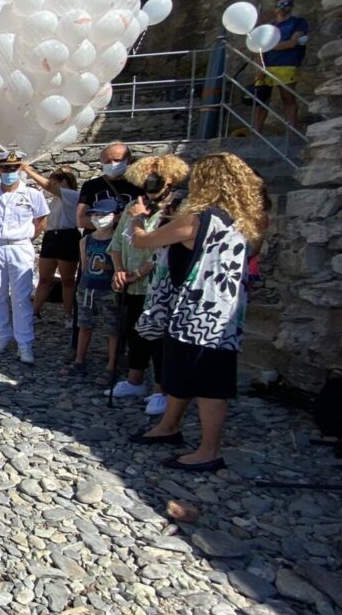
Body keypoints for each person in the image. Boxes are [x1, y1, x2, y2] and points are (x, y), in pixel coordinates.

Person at [125, 152, 267, 472]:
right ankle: (169, 426)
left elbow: (143, 241)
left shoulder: (200, 218)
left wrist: (136, 217)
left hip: (197, 313)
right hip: (226, 314)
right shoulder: (245, 222)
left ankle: (208, 450)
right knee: (185, 375)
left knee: (209, 384)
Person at [109, 155, 190, 415]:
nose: (150, 181)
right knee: (135, 332)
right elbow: (118, 243)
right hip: (132, 284)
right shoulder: (135, 206)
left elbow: (165, 246)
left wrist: (139, 272)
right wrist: (120, 270)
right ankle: (134, 379)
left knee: (159, 338)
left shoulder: (178, 208)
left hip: (159, 284)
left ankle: (160, 389)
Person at [0, 151, 49, 364]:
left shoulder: (33, 194)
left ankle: (24, 343)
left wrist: (25, 238)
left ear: (20, 169)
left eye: (14, 168)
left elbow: (41, 221)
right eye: (5, 168)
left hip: (20, 247)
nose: (9, 172)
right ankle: (3, 335)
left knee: (21, 297)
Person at [22, 164, 80, 327]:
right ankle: (35, 312)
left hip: (67, 236)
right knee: (44, 278)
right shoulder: (53, 198)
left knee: (67, 279)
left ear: (64, 182)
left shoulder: (72, 195)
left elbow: (47, 185)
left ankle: (68, 315)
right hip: (51, 236)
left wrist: (28, 171)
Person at [72, 198, 121, 383]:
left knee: (112, 329)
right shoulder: (86, 240)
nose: (98, 218)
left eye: (102, 215)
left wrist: (107, 267)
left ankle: (111, 366)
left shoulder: (118, 240)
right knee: (84, 325)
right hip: (87, 289)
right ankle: (79, 360)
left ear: (114, 217)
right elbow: (84, 266)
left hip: (109, 290)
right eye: (94, 215)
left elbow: (120, 267)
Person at [253, 0, 308, 132]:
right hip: (267, 66)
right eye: (280, 4)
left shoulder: (298, 22)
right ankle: (256, 132)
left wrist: (269, 45)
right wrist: (259, 68)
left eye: (286, 4)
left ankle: (292, 130)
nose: (282, 7)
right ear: (275, 8)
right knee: (261, 102)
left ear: (291, 7)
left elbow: (292, 42)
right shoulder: (269, 26)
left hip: (287, 64)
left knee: (287, 98)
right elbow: (260, 49)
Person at [77, 143, 142, 231]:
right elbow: (81, 220)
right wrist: (112, 219)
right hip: (100, 240)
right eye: (108, 161)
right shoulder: (91, 185)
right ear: (101, 162)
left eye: (117, 160)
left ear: (128, 160)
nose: (112, 164)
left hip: (127, 238)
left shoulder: (138, 183)